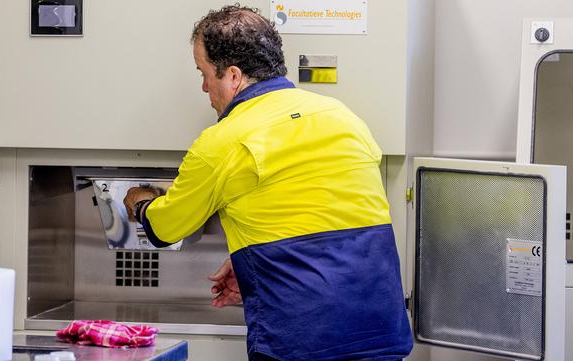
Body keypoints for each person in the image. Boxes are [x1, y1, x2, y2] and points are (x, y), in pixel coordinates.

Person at [123, 5, 413, 361]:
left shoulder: (222, 141)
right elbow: (324, 216)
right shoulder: (342, 116)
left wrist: (138, 201)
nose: (202, 87)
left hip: (301, 342)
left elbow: (164, 228)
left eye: (203, 73)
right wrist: (253, 267)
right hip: (379, 333)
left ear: (232, 76)